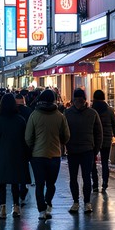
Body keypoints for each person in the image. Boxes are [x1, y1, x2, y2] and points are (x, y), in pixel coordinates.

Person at [25, 88, 70, 220]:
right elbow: (66, 136)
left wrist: (34, 146)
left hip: (38, 156)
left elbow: (28, 137)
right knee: (51, 184)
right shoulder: (60, 116)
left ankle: (41, 211)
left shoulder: (34, 115)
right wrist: (59, 142)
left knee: (39, 184)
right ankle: (48, 203)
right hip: (54, 155)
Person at [0, 95, 30, 219]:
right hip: (17, 155)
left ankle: (2, 209)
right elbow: (25, 140)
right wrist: (28, 155)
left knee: (0, 183)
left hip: (0, 155)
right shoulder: (20, 120)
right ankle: (16, 207)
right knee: (15, 182)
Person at [64, 88, 103, 214]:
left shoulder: (89, 113)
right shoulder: (70, 113)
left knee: (82, 178)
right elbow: (99, 133)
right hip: (78, 151)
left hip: (84, 150)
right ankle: (80, 202)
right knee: (79, 178)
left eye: (80, 100)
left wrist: (95, 149)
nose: (79, 102)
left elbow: (98, 133)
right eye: (77, 100)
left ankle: (83, 202)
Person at [90, 89, 115, 194]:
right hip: (106, 139)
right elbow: (114, 125)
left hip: (93, 139)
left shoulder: (91, 110)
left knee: (92, 162)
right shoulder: (109, 110)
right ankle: (105, 183)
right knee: (105, 162)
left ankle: (95, 183)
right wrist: (113, 134)